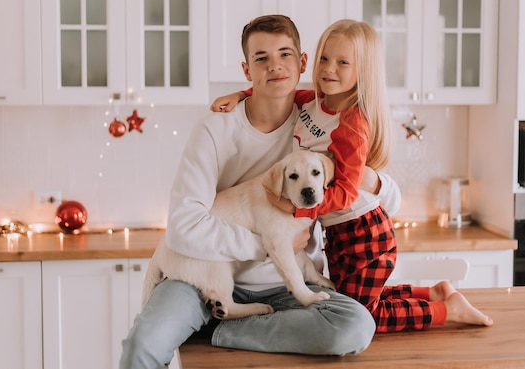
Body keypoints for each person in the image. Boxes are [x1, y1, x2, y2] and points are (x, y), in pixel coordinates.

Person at [119, 15, 400, 369]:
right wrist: (266, 245)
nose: (275, 66)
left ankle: (218, 330)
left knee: (356, 326)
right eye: (261, 58)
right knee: (142, 344)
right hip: (200, 272)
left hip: (285, 285)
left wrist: (371, 179)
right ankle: (210, 314)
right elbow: (183, 226)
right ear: (247, 68)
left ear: (301, 63)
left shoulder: (321, 120)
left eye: (285, 55)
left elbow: (390, 200)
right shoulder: (214, 129)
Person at [211, 19, 493, 333]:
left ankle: (446, 311)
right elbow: (276, 91)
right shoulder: (313, 102)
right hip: (338, 232)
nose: (329, 69)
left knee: (364, 315)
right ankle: (432, 293)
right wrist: (241, 95)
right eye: (324, 59)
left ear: (363, 72)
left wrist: (300, 209)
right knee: (350, 299)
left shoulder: (352, 124)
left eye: (343, 62)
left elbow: (345, 192)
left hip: (363, 230)